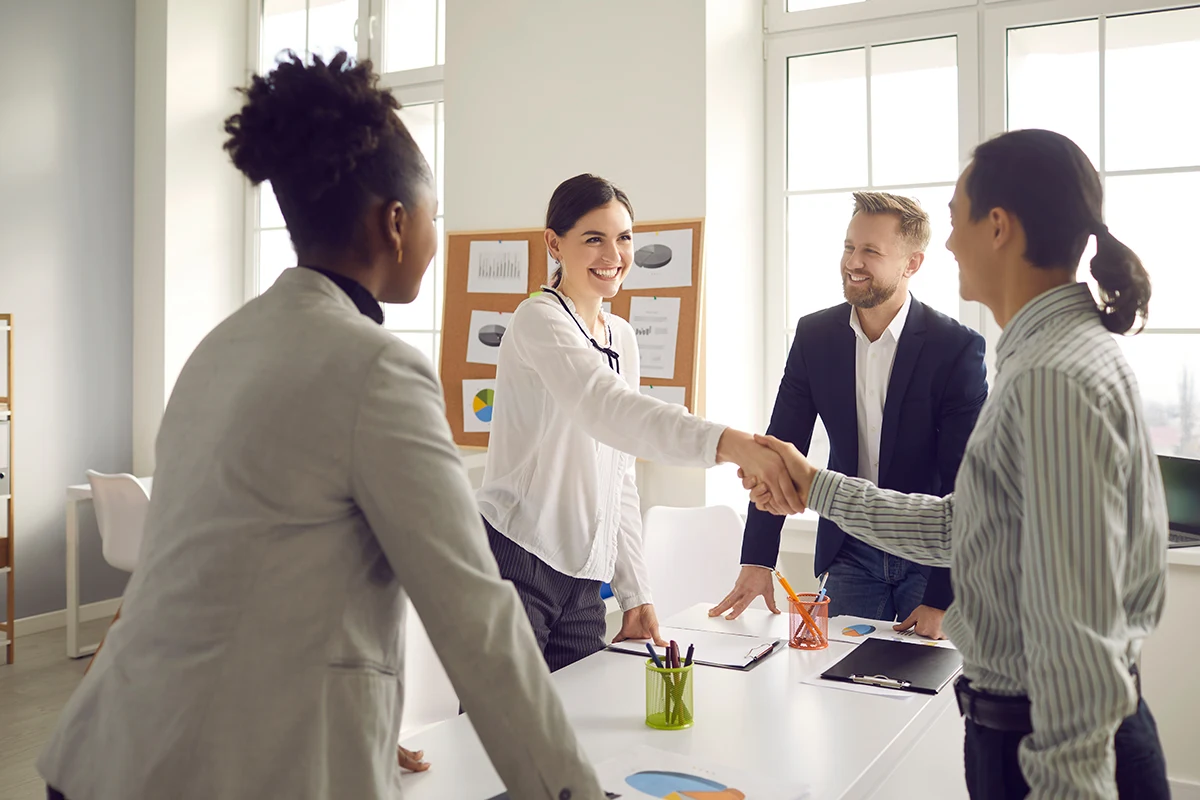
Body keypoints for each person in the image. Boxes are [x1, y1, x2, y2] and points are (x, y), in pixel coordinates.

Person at [37, 52, 609, 800]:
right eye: (437, 217)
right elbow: (476, 618)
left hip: (105, 748)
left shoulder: (223, 346)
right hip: (219, 771)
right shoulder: (378, 369)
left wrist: (356, 721)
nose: (438, 239)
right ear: (397, 224)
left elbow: (211, 577)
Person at [746, 129, 1169, 799]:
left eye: (953, 220)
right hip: (1023, 733)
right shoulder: (1051, 357)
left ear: (997, 226)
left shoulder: (1050, 376)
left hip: (1046, 754)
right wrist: (817, 486)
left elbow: (1079, 640)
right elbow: (966, 528)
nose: (945, 244)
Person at [476, 173, 802, 673]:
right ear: (554, 244)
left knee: (575, 730)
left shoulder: (621, 336)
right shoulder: (537, 319)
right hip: (518, 560)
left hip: (585, 578)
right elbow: (607, 409)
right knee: (496, 732)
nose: (613, 254)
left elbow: (619, 477)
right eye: (593, 239)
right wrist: (731, 444)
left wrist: (635, 592)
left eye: (624, 238)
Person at [710, 192, 987, 638]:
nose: (853, 262)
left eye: (871, 251)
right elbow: (780, 448)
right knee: (837, 688)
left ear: (911, 264)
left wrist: (943, 598)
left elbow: (965, 483)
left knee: (920, 693)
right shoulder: (815, 335)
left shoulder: (955, 347)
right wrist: (758, 559)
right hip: (848, 552)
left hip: (929, 559)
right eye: (848, 247)